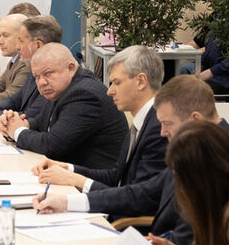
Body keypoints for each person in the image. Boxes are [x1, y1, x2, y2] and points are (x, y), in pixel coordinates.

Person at [35, 75, 229, 245]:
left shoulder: (219, 156)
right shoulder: (198, 144)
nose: (162, 132)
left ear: (195, 119)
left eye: (168, 124)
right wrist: (66, 202)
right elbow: (142, 193)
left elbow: (194, 237)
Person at [30, 44, 166, 192]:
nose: (110, 91)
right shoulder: (143, 122)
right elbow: (115, 176)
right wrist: (68, 169)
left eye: (116, 83)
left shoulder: (159, 128)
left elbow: (139, 198)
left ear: (141, 81)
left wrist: (76, 181)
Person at [0, 42, 127, 170]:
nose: (41, 82)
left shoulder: (84, 94)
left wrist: (17, 131)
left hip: (90, 179)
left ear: (71, 68)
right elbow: (41, 122)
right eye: (37, 77)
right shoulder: (59, 88)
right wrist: (13, 125)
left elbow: (52, 145)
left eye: (48, 74)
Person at [0, 14, 61, 128]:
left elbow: (30, 115)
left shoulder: (53, 78)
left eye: (21, 41)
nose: (18, 47)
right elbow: (15, 100)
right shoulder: (33, 69)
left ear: (38, 45)